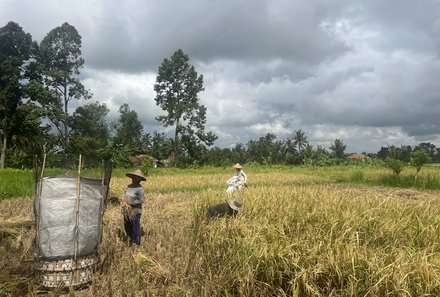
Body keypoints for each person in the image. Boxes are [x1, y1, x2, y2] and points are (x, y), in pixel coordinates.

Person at [122, 169, 146, 246]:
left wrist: (131, 203)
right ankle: (130, 239)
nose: (136, 179)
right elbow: (125, 196)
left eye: (138, 178)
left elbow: (141, 200)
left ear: (140, 180)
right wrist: (123, 203)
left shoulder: (140, 189)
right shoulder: (128, 187)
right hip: (126, 211)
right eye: (135, 177)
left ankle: (136, 242)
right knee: (127, 225)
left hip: (135, 211)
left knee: (135, 226)